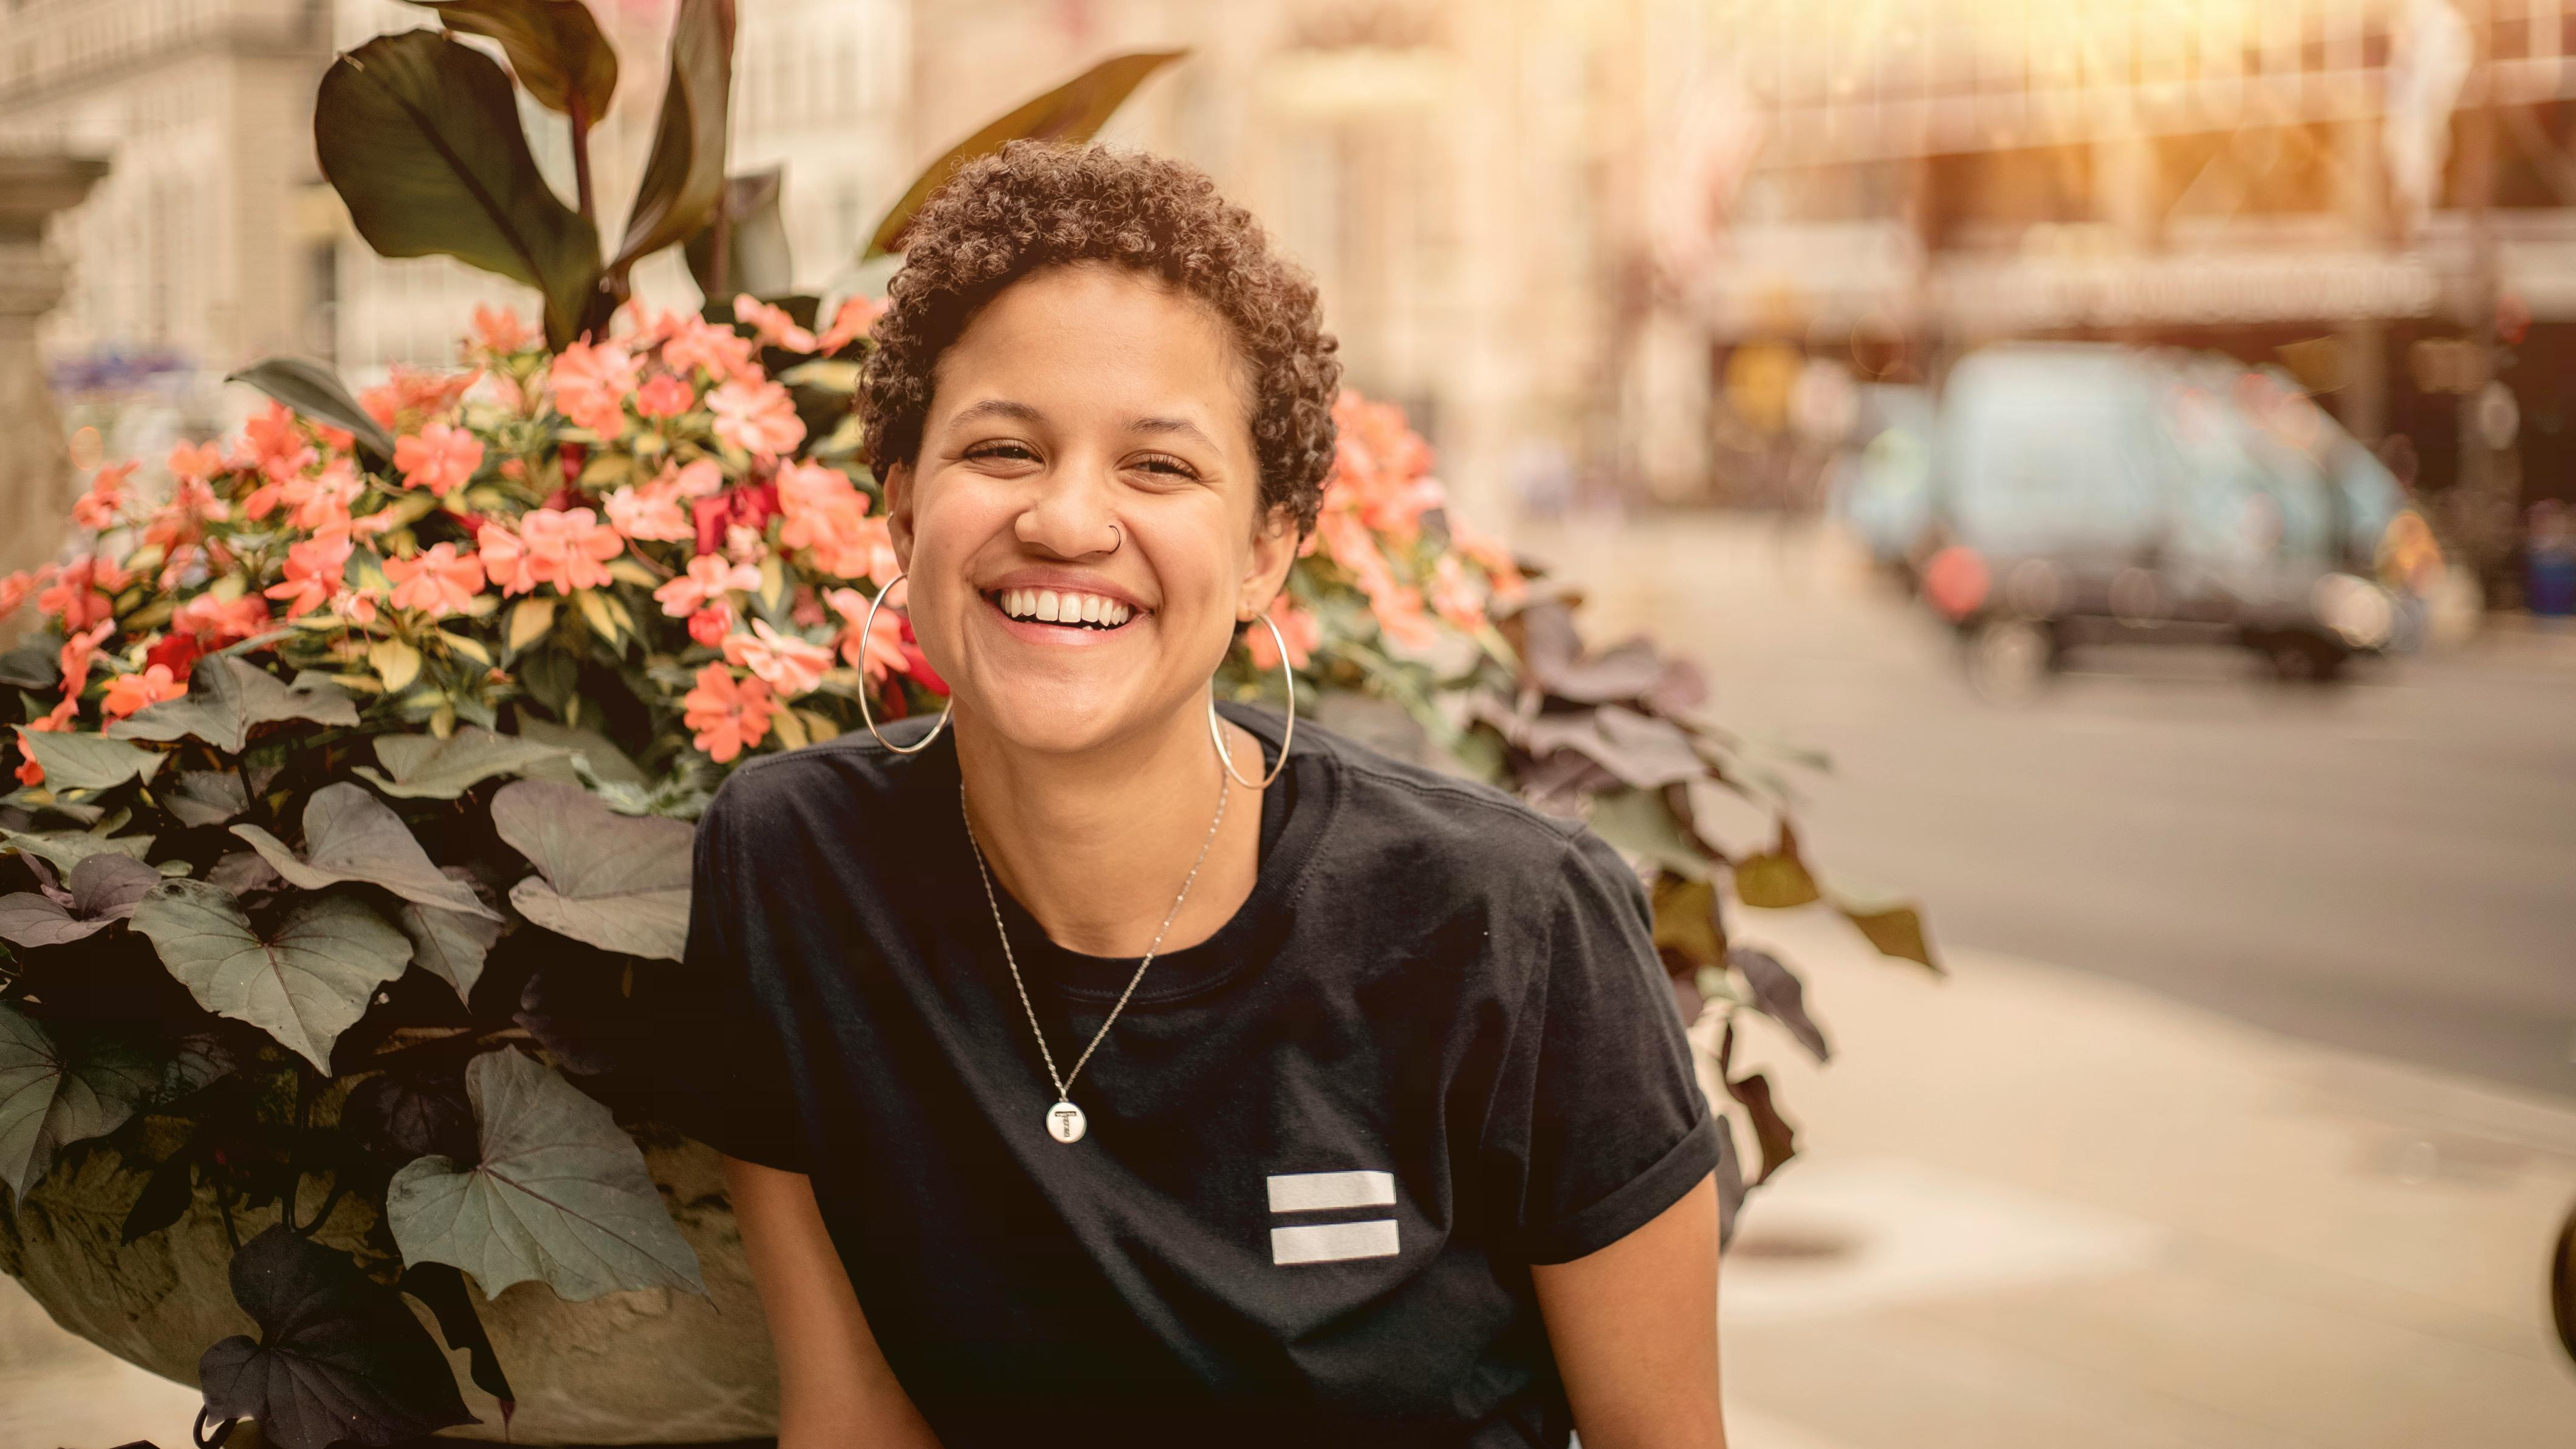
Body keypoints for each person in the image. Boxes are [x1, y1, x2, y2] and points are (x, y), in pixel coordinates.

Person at [668, 142, 1725, 1448]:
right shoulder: (794, 867)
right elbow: (854, 1415)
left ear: (1264, 551)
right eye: (1001, 448)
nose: (1064, 520)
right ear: (900, 513)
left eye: (1156, 467)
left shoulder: (1514, 923)